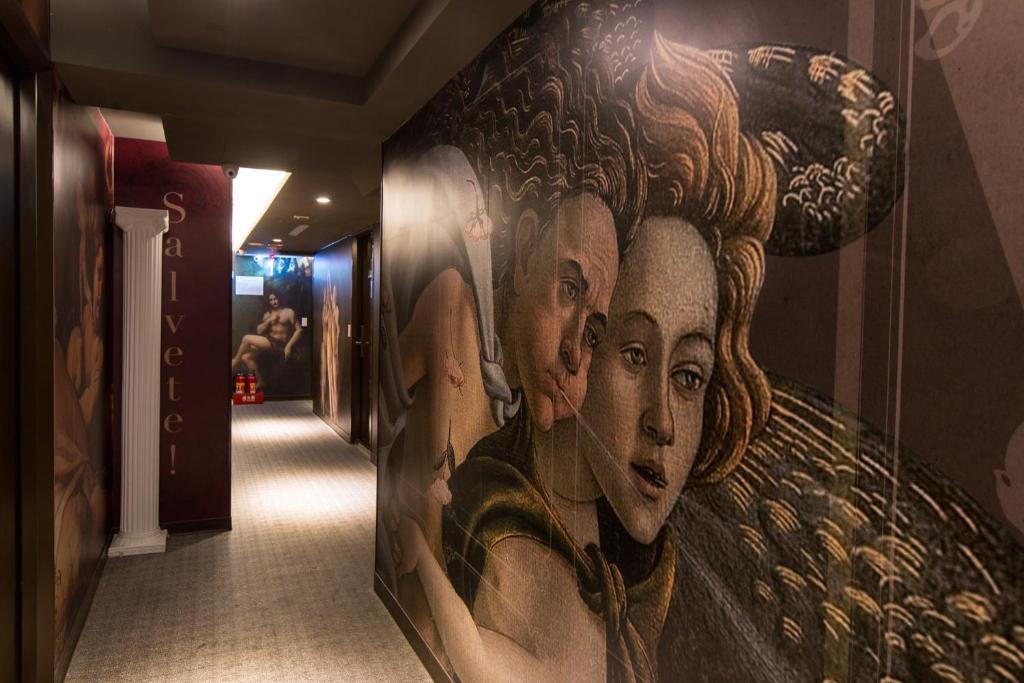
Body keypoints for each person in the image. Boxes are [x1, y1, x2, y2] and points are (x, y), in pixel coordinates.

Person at [402, 34, 775, 683]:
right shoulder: (462, 326)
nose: (577, 350)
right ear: (523, 255)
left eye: (690, 375)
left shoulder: (643, 563)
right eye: (568, 288)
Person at [231, 291, 303, 389]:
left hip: (280, 345)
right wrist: (269, 320)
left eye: (275, 299)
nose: (274, 302)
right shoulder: (267, 314)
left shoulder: (288, 312)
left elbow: (299, 330)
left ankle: (235, 361)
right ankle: (261, 381)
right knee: (246, 357)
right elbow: (259, 331)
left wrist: (289, 346)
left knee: (246, 338)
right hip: (270, 342)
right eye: (271, 300)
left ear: (279, 298)